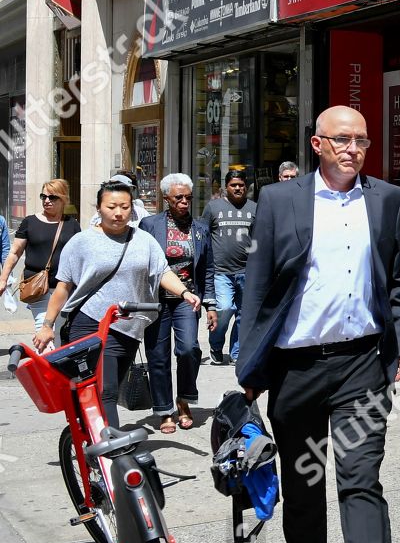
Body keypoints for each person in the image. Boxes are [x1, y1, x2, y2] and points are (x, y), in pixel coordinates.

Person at [237, 106, 400, 543]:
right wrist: (249, 361)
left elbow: (399, 277)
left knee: (360, 479)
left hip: (362, 364)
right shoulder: (278, 199)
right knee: (304, 480)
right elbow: (257, 283)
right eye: (341, 139)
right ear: (317, 144)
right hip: (295, 367)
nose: (352, 149)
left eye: (361, 140)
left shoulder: (388, 198)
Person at [31, 181, 202, 428]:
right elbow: (63, 287)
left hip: (129, 328)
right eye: (112, 206)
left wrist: (185, 292)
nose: (118, 212)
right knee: (107, 391)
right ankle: (113, 448)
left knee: (106, 388)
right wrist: (47, 325)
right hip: (90, 323)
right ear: (99, 208)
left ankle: (88, 434)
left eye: (124, 206)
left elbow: (162, 272)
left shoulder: (143, 240)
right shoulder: (82, 241)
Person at [141, 173, 214, 434]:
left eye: (188, 197)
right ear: (166, 199)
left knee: (188, 349)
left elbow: (207, 268)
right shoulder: (149, 225)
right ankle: (164, 410)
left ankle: (184, 399)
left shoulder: (201, 227)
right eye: (178, 197)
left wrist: (211, 305)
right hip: (155, 302)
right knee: (158, 357)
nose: (184, 202)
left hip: (187, 300)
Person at [2, 180, 82, 330]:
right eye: (43, 196)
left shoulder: (72, 225)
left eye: (52, 197)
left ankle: (52, 353)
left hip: (64, 287)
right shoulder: (30, 222)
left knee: (58, 331)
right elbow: (14, 252)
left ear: (63, 198)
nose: (46, 201)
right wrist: (3, 279)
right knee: (43, 328)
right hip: (38, 288)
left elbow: (81, 256)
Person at [205, 170, 257, 364]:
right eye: (234, 185)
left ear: (246, 187)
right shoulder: (213, 207)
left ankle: (236, 353)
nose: (238, 188)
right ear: (226, 187)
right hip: (220, 272)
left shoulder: (254, 208)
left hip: (248, 272)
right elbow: (204, 236)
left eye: (241, 185)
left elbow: (258, 238)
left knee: (244, 315)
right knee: (225, 309)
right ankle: (216, 345)